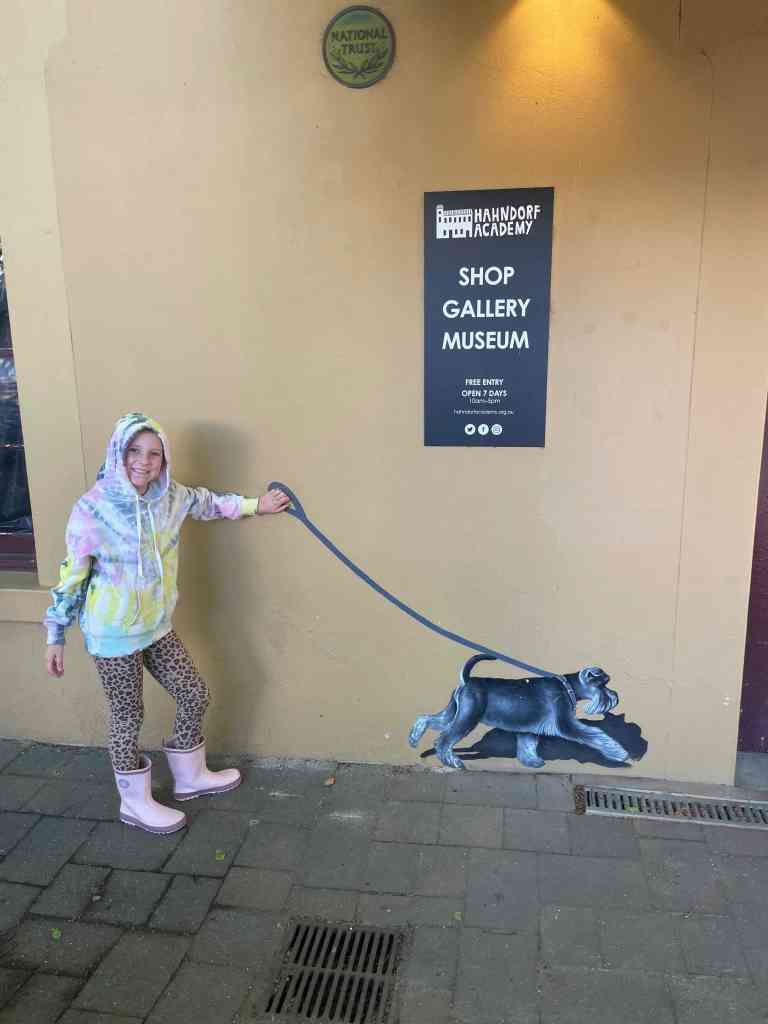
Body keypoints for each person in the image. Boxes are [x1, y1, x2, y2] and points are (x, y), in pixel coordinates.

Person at [43, 412, 290, 835]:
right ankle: (134, 803)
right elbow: (72, 576)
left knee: (194, 693)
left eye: (154, 454)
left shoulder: (170, 497)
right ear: (118, 452)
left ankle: (190, 777)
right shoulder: (92, 509)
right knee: (128, 715)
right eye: (134, 451)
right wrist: (55, 634)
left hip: (156, 627)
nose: (144, 461)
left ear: (164, 459)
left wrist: (258, 505)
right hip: (112, 634)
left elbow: (210, 504)